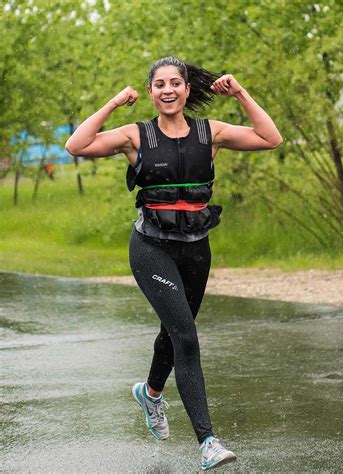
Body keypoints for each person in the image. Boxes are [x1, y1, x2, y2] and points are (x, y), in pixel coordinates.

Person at [65, 56, 283, 470]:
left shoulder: (211, 133)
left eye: (175, 84)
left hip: (196, 249)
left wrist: (239, 93)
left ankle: (149, 393)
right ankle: (208, 441)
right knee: (186, 337)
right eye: (159, 84)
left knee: (174, 330)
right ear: (151, 92)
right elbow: (76, 146)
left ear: (186, 91)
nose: (168, 90)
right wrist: (112, 104)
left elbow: (271, 138)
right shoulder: (135, 136)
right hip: (151, 247)